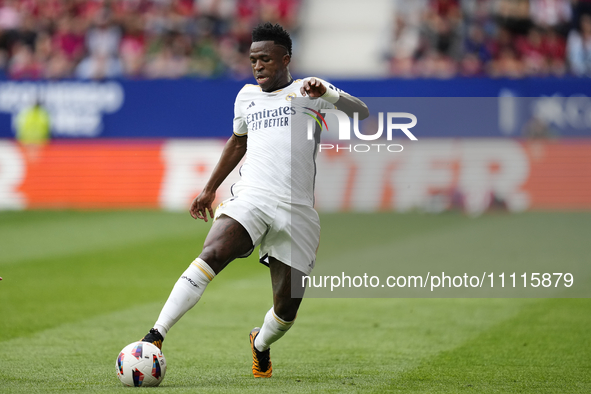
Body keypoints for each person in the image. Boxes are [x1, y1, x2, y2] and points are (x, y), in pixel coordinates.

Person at [140, 22, 368, 378]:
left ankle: (260, 343)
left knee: (286, 310)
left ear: (286, 59)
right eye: (253, 60)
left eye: (265, 59)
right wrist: (209, 188)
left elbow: (361, 114)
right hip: (253, 196)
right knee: (212, 253)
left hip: (297, 211)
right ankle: (154, 336)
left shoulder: (311, 91)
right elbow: (237, 141)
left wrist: (329, 93)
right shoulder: (246, 97)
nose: (258, 66)